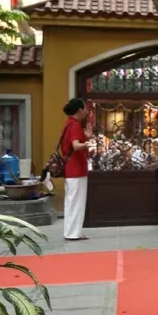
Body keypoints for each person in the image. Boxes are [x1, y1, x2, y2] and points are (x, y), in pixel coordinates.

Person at [61, 98, 92, 241]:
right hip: (76, 169)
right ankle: (73, 234)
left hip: (70, 169)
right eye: (85, 108)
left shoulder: (68, 124)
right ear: (79, 110)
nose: (86, 111)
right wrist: (88, 143)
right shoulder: (75, 125)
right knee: (76, 203)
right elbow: (75, 146)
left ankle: (72, 232)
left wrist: (86, 137)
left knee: (71, 202)